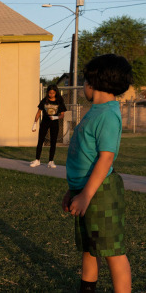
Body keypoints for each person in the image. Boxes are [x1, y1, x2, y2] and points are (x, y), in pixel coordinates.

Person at [62, 54, 132, 292]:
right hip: (86, 190)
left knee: (113, 252)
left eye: (84, 81)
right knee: (90, 248)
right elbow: (86, 157)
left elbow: (106, 158)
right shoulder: (96, 111)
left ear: (94, 82)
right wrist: (72, 190)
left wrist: (86, 195)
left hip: (101, 193)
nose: (83, 86)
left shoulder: (107, 114)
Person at [30, 85, 67, 168]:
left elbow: (62, 115)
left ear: (56, 93)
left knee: (53, 142)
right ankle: (37, 160)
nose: (51, 94)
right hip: (45, 122)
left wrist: (55, 117)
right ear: (47, 93)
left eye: (53, 93)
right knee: (40, 140)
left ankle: (51, 161)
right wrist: (34, 123)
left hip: (54, 123)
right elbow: (38, 112)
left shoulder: (59, 101)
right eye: (50, 93)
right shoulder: (44, 101)